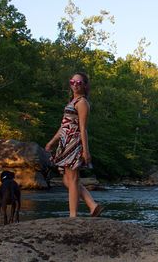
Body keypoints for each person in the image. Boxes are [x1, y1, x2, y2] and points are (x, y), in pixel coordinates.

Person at [45, 72, 104, 218]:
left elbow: (83, 128)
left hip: (74, 142)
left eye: (79, 83)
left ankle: (73, 215)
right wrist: (52, 142)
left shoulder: (82, 103)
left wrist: (86, 151)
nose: (75, 85)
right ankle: (92, 205)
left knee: (72, 179)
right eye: (72, 82)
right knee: (67, 179)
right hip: (65, 142)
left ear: (85, 85)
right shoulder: (72, 102)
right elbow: (64, 126)